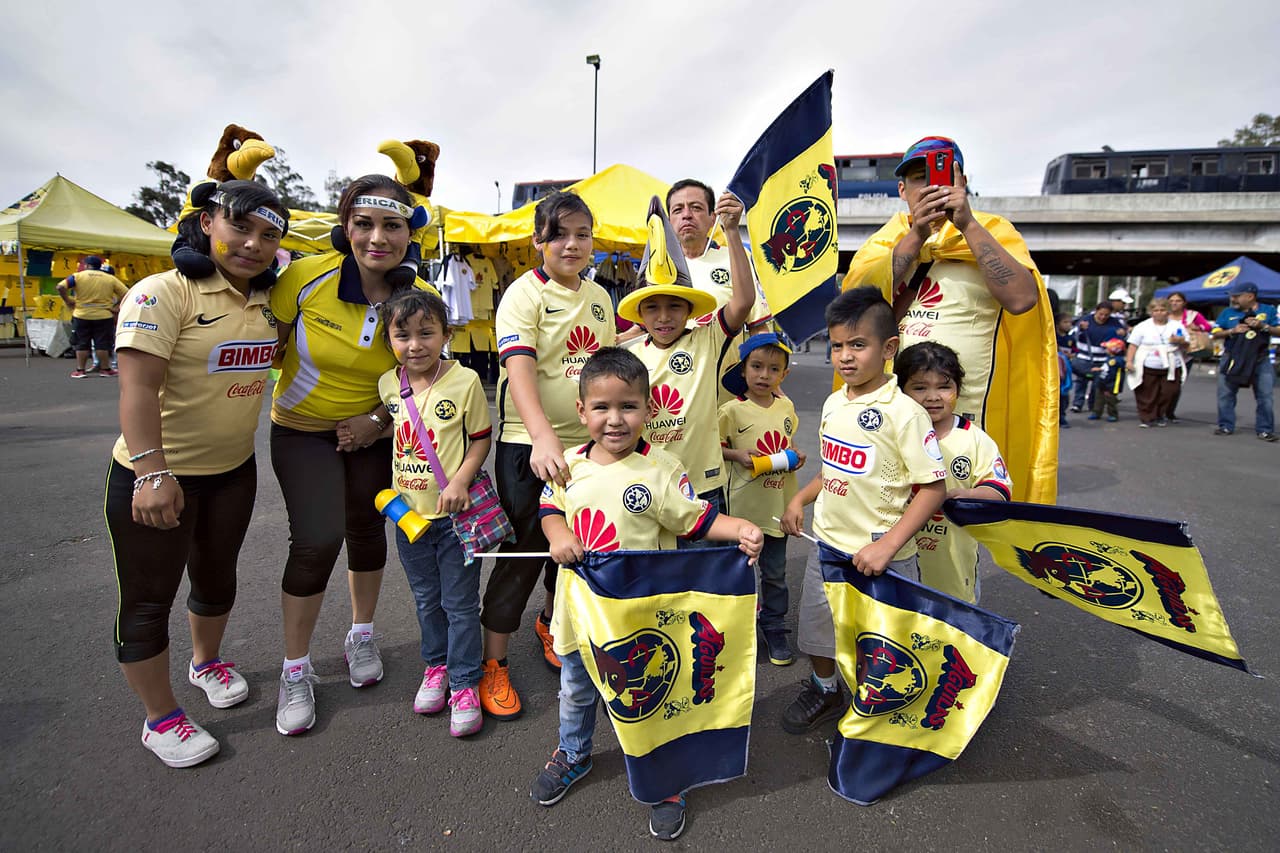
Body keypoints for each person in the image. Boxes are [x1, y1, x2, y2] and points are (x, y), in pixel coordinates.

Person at [529, 346, 763, 842]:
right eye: (601, 408)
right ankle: (574, 752)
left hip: (646, 620)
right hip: (581, 614)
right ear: (581, 411)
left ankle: (666, 779)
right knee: (576, 690)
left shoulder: (663, 468)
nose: (615, 420)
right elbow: (550, 509)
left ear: (649, 408)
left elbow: (697, 520)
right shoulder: (568, 465)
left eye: (628, 407)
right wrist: (558, 536)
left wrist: (739, 526)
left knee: (653, 699)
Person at [105, 180, 288, 767]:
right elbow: (136, 388)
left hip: (232, 471)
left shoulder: (270, 302)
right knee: (148, 601)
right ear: (208, 221)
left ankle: (205, 662)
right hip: (157, 477)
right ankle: (160, 720)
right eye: (241, 228)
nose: (253, 245)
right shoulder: (163, 292)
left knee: (216, 579)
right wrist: (151, 474)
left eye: (268, 235)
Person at [269, 175, 438, 736]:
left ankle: (361, 635)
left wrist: (379, 421)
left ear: (408, 234)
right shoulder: (301, 277)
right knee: (317, 540)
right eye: (363, 224)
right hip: (300, 431)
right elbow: (261, 337)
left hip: (374, 432)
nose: (376, 237)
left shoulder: (415, 298)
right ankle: (296, 670)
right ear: (345, 228)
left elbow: (427, 376)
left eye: (392, 225)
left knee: (368, 531)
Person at [842, 136, 1057, 504]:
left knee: (953, 522)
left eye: (939, 175)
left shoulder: (993, 231)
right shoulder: (888, 238)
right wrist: (917, 235)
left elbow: (1022, 298)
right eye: (916, 178)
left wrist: (968, 225)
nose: (927, 186)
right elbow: (857, 310)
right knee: (888, 506)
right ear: (901, 190)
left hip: (962, 413)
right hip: (894, 410)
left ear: (962, 181)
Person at [779, 287, 947, 733]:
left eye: (858, 345)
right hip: (827, 547)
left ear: (889, 348)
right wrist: (799, 499)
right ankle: (824, 687)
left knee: (883, 642)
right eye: (837, 345)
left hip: (882, 556)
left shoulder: (906, 414)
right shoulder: (836, 402)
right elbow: (834, 469)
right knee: (817, 631)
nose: (845, 357)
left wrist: (889, 546)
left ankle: (879, 710)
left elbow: (933, 489)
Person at [483, 191, 617, 718]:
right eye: (559, 234)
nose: (571, 244)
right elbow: (518, 372)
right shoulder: (522, 295)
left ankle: (549, 623)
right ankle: (492, 663)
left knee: (570, 553)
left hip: (585, 450)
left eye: (582, 234)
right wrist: (541, 437)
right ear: (539, 240)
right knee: (522, 554)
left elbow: (606, 365)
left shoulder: (601, 297)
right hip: (528, 447)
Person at [376, 288, 489, 737]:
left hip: (455, 521)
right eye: (402, 335)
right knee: (426, 600)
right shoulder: (389, 384)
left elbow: (480, 438)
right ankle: (435, 666)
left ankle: (464, 681)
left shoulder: (464, 382)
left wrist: (460, 480)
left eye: (427, 333)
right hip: (409, 521)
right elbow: (394, 422)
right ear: (389, 339)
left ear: (445, 333)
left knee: (460, 605)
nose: (415, 344)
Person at [617, 193, 755, 541]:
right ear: (640, 314)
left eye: (675, 306)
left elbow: (744, 302)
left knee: (705, 584)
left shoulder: (706, 339)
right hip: (649, 485)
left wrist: (733, 231)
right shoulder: (629, 357)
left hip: (704, 487)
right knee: (661, 584)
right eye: (653, 308)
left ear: (690, 310)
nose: (664, 317)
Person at [896, 342, 1012, 603]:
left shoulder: (974, 439)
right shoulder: (890, 434)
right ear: (901, 390)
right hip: (894, 557)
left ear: (958, 389)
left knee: (951, 632)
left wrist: (969, 494)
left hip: (953, 568)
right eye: (920, 387)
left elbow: (999, 490)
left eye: (944, 386)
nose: (933, 396)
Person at [717, 332, 806, 664]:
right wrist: (736, 454)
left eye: (773, 369)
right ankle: (739, 630)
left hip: (777, 508)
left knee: (775, 573)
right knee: (740, 572)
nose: (763, 375)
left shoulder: (786, 406)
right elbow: (714, 448)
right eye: (756, 367)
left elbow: (789, 439)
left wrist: (796, 453)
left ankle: (774, 626)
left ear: (784, 375)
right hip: (742, 511)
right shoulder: (731, 410)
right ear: (743, 370)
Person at [663, 178, 774, 401]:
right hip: (674, 394)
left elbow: (758, 326)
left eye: (696, 207)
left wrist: (768, 379)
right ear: (668, 220)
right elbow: (643, 329)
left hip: (727, 392)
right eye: (678, 209)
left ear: (712, 217)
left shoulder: (734, 257)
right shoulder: (660, 267)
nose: (686, 215)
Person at [1211, 280, 1278, 441]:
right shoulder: (1227, 312)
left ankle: (1265, 429)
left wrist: (1263, 326)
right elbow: (1215, 333)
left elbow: (1278, 330)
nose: (1233, 299)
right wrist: (1231, 331)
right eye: (1232, 296)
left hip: (1259, 358)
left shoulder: (1268, 310)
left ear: (1250, 296)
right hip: (1232, 357)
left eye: (1237, 296)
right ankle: (1225, 426)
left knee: (1265, 396)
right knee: (1225, 394)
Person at [57, 255, 128, 378]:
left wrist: (68, 300)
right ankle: (105, 369)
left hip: (81, 314)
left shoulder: (78, 276)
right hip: (103, 314)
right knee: (102, 343)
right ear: (100, 266)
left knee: (81, 343)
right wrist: (115, 307)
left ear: (86, 265)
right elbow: (127, 293)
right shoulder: (110, 278)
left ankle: (80, 370)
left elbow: (60, 287)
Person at [1125, 297, 1189, 428]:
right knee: (1147, 392)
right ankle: (1147, 417)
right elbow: (1133, 345)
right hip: (1148, 363)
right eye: (1156, 310)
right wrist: (1129, 361)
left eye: (1163, 310)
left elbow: (1187, 344)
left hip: (1171, 363)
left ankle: (1160, 414)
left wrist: (1180, 341)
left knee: (1170, 391)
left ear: (1168, 311)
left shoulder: (1176, 325)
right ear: (1151, 312)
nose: (1159, 313)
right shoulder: (1142, 326)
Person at [1165, 291, 1213, 421]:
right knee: (1162, 383)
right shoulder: (1164, 314)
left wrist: (1198, 327)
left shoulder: (1192, 315)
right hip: (1165, 353)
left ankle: (1170, 411)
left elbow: (1208, 327)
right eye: (1172, 301)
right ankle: (1158, 410)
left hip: (1186, 354)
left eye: (1178, 301)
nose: (1174, 303)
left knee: (1177, 384)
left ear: (1184, 303)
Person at [1071, 302, 1127, 413]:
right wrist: (1081, 329)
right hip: (1084, 357)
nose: (1103, 317)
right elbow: (1073, 334)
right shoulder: (1085, 320)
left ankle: (1093, 405)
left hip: (1102, 359)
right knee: (1081, 381)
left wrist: (1123, 334)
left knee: (1098, 383)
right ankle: (1077, 404)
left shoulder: (1115, 323)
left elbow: (1122, 340)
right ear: (1096, 311)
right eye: (1100, 314)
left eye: (1106, 315)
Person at [1089, 338, 1126, 423]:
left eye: (1107, 348)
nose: (1106, 350)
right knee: (1098, 399)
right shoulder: (1109, 358)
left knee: (1111, 400)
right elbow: (1106, 368)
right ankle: (1096, 412)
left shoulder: (1117, 361)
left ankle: (1113, 414)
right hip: (1102, 381)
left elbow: (1113, 373)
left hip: (1111, 384)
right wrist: (1099, 369)